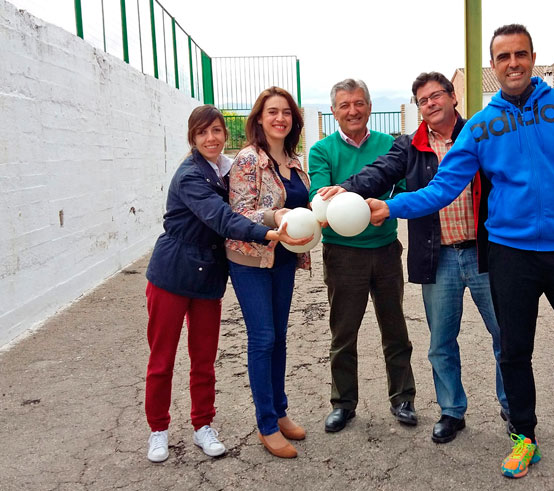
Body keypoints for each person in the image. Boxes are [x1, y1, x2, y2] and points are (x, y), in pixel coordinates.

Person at [367, 24, 554, 491]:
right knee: (514, 351)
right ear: (494, 67)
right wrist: (391, 206)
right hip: (510, 254)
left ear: (533, 58)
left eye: (521, 54)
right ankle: (524, 436)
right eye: (504, 57)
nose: (513, 63)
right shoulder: (481, 126)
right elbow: (443, 187)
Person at [318, 72, 509, 444]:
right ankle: (452, 411)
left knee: (505, 334)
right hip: (438, 256)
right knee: (441, 342)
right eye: (423, 100)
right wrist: (346, 189)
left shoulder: (481, 135)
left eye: (437, 95)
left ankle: (513, 407)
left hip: (486, 252)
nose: (431, 103)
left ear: (453, 97)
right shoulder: (409, 145)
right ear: (418, 108)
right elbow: (380, 173)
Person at [144, 105, 310, 463]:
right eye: (203, 133)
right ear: (192, 137)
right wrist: (269, 231)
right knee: (163, 358)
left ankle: (203, 425)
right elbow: (222, 217)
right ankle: (158, 429)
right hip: (173, 272)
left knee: (203, 358)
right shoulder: (190, 175)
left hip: (209, 273)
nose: (211, 138)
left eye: (217, 131)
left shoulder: (225, 169)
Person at [308, 79, 417, 433]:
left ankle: (403, 399)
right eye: (344, 105)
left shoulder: (391, 146)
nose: (352, 111)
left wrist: (379, 202)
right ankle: (343, 403)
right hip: (342, 255)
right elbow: (321, 197)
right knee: (344, 333)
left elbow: (402, 191)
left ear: (369, 107)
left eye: (358, 103)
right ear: (334, 112)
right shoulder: (321, 150)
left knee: (395, 328)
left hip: (385, 250)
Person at [225, 87, 312, 459]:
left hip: (285, 258)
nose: (280, 118)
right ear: (259, 118)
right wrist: (274, 217)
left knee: (279, 338)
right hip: (252, 260)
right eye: (272, 112)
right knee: (262, 338)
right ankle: (266, 425)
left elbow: (304, 206)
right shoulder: (247, 160)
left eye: (286, 113)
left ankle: (279, 411)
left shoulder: (293, 160)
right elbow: (238, 213)